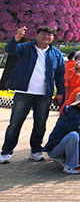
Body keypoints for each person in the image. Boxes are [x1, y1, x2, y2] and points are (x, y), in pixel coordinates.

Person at [1, 26, 65, 164]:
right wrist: (17, 36)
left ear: (53, 38)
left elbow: (60, 75)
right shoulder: (26, 47)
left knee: (40, 124)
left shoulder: (56, 54)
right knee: (15, 123)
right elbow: (10, 49)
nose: (46, 37)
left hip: (44, 95)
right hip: (24, 92)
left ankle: (36, 150)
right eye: (43, 34)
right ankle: (6, 152)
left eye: (50, 35)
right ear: (37, 35)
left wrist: (60, 93)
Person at [44, 91, 80, 174]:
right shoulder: (72, 114)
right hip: (54, 150)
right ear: (78, 103)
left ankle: (69, 160)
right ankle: (70, 166)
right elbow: (78, 134)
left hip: (63, 147)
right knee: (74, 135)